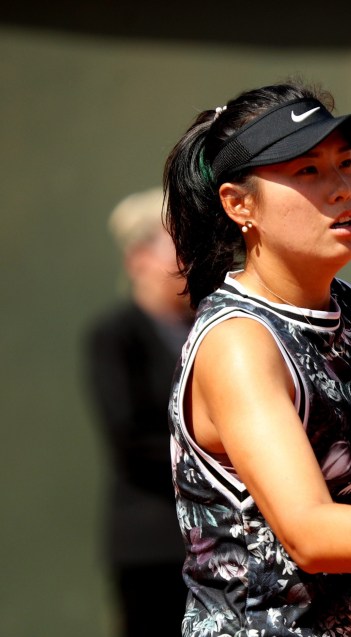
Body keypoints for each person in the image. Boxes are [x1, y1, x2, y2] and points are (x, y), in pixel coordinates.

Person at [163, 80, 351, 637]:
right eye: (308, 170)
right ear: (239, 204)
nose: (340, 188)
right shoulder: (239, 343)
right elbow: (310, 533)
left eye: (346, 163)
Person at [84, 187, 194, 637]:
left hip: (215, 543)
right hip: (153, 547)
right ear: (139, 258)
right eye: (178, 243)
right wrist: (217, 462)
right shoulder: (114, 336)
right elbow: (129, 440)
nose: (192, 256)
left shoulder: (211, 326)